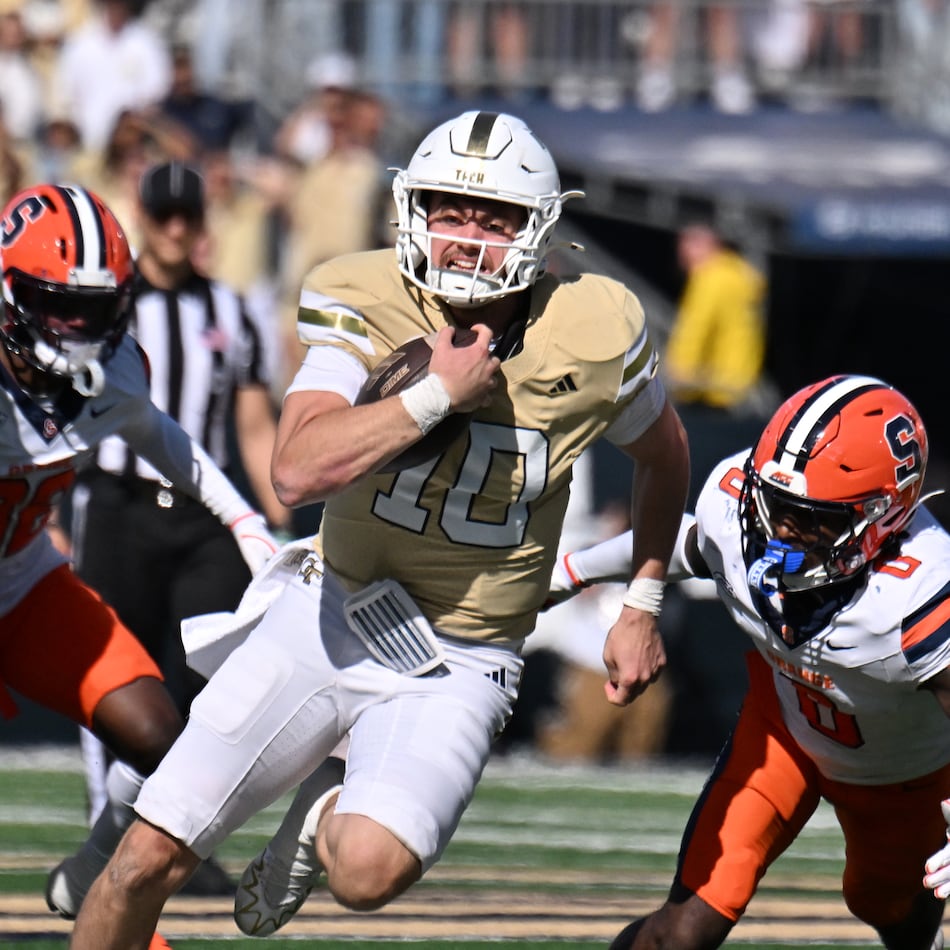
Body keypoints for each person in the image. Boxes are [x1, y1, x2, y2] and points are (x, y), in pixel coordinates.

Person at [67, 109, 690, 947]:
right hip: (333, 610)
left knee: (366, 871)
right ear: (411, 209)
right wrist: (431, 396)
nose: (466, 237)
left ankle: (324, 803)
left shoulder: (597, 324)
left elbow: (667, 455)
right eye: (447, 209)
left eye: (494, 217)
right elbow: (296, 467)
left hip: (462, 653)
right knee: (143, 860)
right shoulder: (364, 292)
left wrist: (642, 602)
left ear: (537, 227)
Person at [547, 373, 950, 950]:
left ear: (883, 517)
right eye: (775, 504)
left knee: (886, 909)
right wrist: (570, 573)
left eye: (812, 517)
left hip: (902, 775)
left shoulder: (922, 593)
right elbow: (687, 547)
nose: (781, 529)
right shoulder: (737, 508)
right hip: (781, 735)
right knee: (682, 932)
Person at [0, 183, 278, 936]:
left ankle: (95, 866)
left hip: (21, 578)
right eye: (57, 305)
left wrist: (245, 521)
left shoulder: (117, 367)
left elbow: (161, 438)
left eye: (92, 307)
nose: (77, 327)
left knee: (161, 733)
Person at [66, 159, 291, 895]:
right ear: (142, 212)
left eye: (184, 215)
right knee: (112, 673)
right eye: (161, 214)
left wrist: (273, 512)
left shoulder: (230, 311)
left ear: (200, 221)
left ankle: (172, 832)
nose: (172, 228)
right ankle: (111, 831)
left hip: (202, 517)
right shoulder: (107, 309)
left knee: (201, 682)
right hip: (116, 504)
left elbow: (253, 421)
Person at [664, 218, 768, 508]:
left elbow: (695, 328)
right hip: (737, 389)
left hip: (706, 391)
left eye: (686, 245)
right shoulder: (741, 275)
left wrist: (678, 373)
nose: (682, 255)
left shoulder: (711, 276)